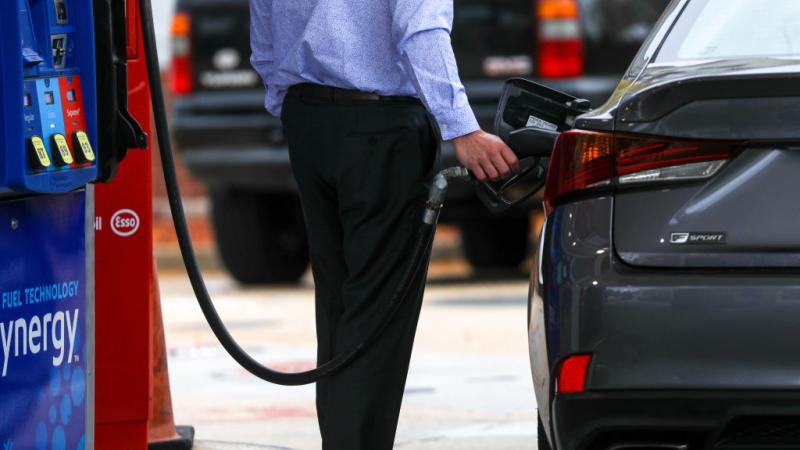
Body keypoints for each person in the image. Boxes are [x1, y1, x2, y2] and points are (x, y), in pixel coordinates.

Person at [250, 1, 518, 448]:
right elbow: (421, 30)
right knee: (377, 309)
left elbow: (264, 35)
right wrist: (462, 127)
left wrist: (291, 103)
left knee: (339, 303)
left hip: (308, 121)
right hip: (382, 125)